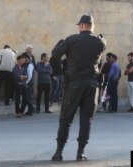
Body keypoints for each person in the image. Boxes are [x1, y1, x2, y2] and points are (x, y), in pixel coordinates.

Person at [51, 15, 106, 161]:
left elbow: (55, 55)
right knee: (86, 120)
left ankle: (58, 152)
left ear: (81, 25)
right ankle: (80, 152)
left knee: (66, 118)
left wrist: (60, 71)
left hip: (74, 85)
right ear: (92, 26)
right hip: (92, 85)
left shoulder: (72, 39)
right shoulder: (100, 42)